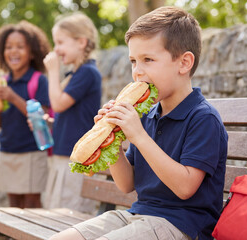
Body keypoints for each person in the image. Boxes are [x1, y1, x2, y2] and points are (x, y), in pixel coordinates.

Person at [49, 6, 228, 240]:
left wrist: (139, 136)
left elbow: (185, 188)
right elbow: (126, 184)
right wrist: (111, 140)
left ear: (184, 63)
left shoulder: (203, 118)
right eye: (133, 61)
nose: (137, 72)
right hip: (138, 214)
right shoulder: (147, 115)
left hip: (183, 225)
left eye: (148, 60)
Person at [0, 20, 51, 208]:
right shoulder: (2, 82)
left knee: (31, 203)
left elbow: (42, 119)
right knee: (12, 204)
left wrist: (13, 98)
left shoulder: (38, 81)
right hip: (7, 150)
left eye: (20, 47)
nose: (13, 51)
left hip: (31, 152)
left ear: (32, 53)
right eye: (8, 47)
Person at [42, 12, 101, 213]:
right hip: (63, 155)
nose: (56, 49)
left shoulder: (87, 73)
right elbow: (65, 112)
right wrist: (50, 122)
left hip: (75, 157)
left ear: (81, 42)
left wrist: (52, 71)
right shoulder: (76, 74)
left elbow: (57, 103)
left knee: (68, 212)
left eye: (60, 42)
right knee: (55, 209)